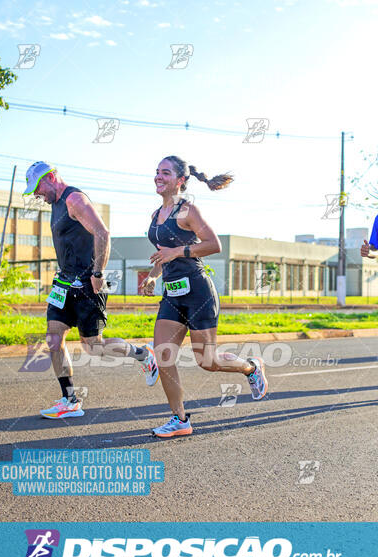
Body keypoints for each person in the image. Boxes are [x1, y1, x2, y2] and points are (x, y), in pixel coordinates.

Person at [140, 155, 268, 438]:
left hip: (198, 292)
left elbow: (214, 244)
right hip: (172, 294)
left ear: (180, 181)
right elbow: (163, 255)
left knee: (207, 361)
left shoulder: (188, 211)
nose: (158, 177)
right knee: (163, 355)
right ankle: (180, 419)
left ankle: (250, 367)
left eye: (165, 173)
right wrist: (152, 275)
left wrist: (178, 252)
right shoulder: (155, 215)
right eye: (157, 172)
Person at [22, 161, 159, 419]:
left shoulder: (74, 199)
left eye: (38, 187)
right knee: (54, 340)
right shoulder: (55, 205)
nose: (37, 194)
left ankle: (144, 354)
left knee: (93, 346)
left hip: (88, 283)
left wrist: (98, 272)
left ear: (51, 177)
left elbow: (102, 233)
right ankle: (70, 400)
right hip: (64, 283)